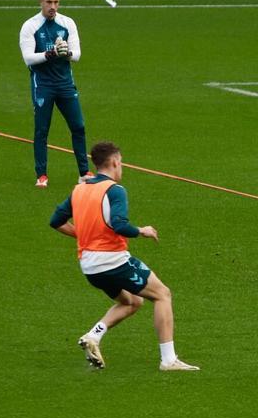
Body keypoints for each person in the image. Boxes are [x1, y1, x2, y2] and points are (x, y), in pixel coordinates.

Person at [50, 141, 199, 372]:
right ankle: (168, 360)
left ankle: (93, 336)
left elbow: (55, 221)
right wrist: (142, 230)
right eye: (122, 163)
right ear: (115, 162)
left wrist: (85, 236)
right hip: (112, 261)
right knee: (162, 294)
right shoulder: (115, 191)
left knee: (131, 302)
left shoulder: (79, 189)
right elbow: (119, 224)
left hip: (89, 266)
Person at [19, 0, 90, 188]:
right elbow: (28, 58)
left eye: (56, 2)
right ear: (41, 2)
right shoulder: (30, 26)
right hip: (43, 85)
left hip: (65, 84)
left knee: (79, 126)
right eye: (49, 2)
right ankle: (41, 175)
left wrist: (65, 52)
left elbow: (76, 55)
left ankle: (84, 173)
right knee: (42, 130)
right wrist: (50, 53)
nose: (53, 7)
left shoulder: (67, 23)